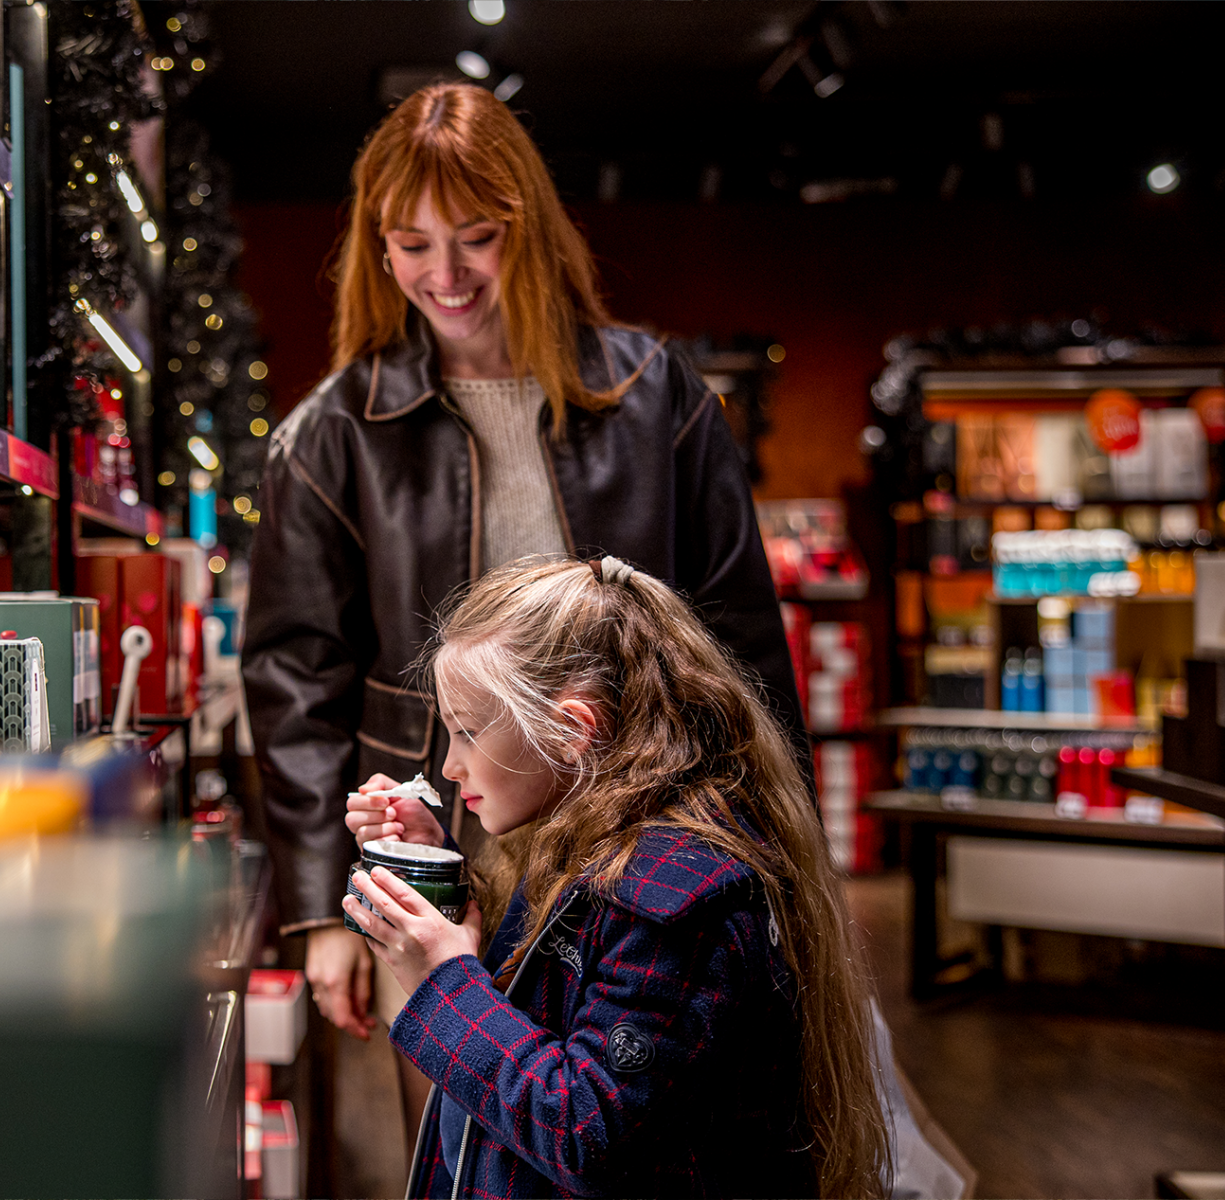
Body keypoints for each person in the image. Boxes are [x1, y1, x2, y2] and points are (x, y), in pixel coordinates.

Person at [240, 81, 805, 1164]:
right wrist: (322, 912)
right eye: (412, 244)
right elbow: (295, 682)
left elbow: (742, 651)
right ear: (377, 246)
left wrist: (780, 868)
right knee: (467, 1154)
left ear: (530, 228)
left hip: (644, 859)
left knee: (641, 1156)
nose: (444, 275)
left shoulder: (656, 396)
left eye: (478, 237)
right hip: (435, 847)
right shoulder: (331, 435)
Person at [343, 556, 887, 1198]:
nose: (451, 766)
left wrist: (442, 984)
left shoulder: (680, 903)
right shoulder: (583, 831)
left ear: (572, 730)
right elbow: (549, 992)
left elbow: (585, 1133)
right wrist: (436, 872)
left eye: (466, 733)